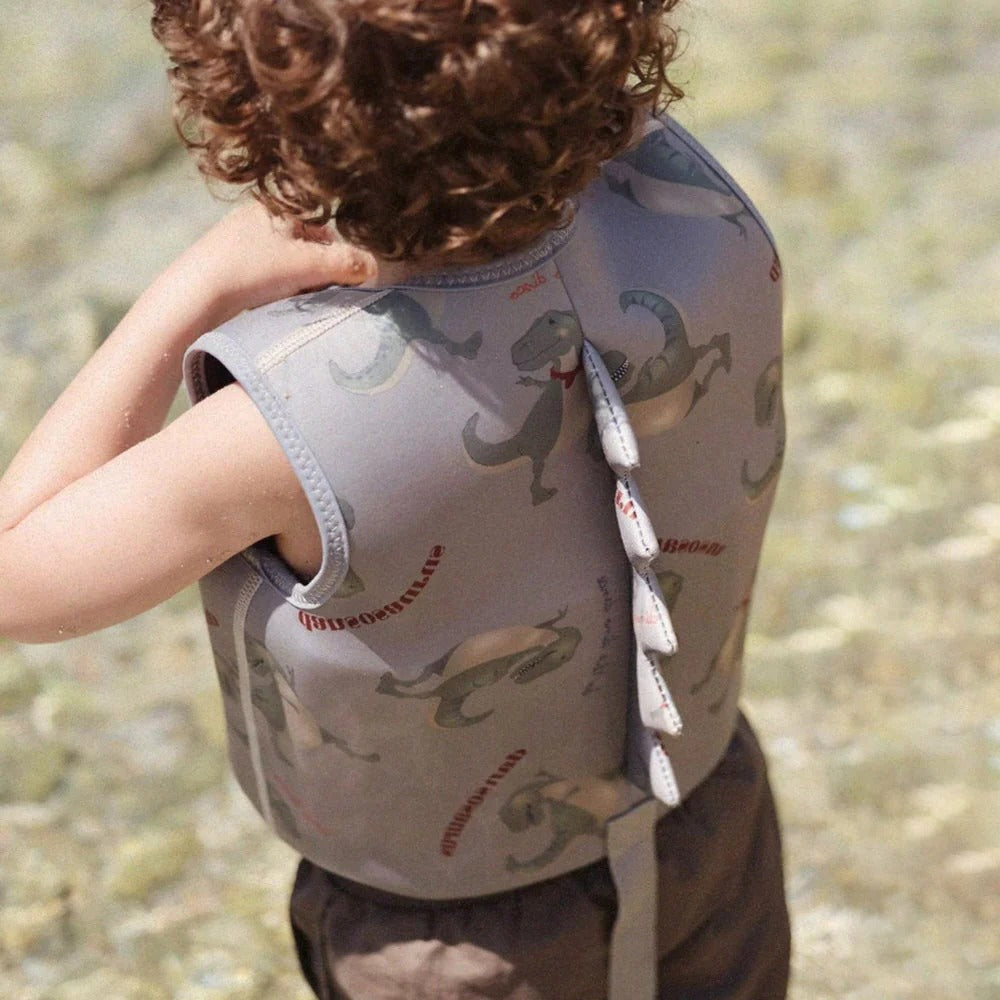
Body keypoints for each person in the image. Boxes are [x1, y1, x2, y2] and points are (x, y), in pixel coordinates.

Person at [0, 1, 790, 997]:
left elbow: (16, 580)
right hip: (709, 821)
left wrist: (193, 287)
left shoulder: (270, 436)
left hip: (450, 942)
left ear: (257, 105)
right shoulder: (710, 223)